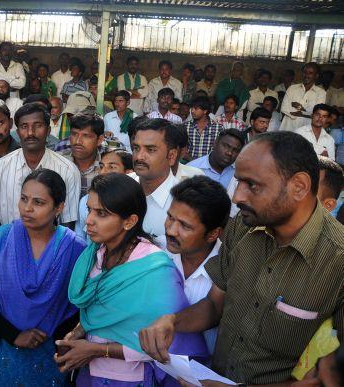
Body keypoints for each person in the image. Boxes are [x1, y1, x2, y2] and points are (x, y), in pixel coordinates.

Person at [139, 131, 344, 385]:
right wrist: (173, 321)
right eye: (238, 182)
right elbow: (215, 305)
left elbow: (331, 378)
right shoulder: (241, 229)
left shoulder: (338, 261)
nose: (237, 197)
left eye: (252, 185)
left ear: (299, 187)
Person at [56, 173, 208, 385]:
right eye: (89, 210)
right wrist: (77, 333)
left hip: (129, 379)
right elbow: (97, 313)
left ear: (129, 221)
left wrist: (97, 350)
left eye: (101, 213)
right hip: (90, 374)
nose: (88, 221)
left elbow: (166, 343)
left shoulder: (155, 269)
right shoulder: (95, 254)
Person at [0, 169, 87, 385]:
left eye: (39, 202)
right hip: (6, 351)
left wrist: (59, 339)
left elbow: (79, 306)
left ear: (59, 207)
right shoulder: (0, 240)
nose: (27, 208)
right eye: (24, 199)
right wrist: (14, 335)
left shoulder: (75, 249)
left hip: (52, 354)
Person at [155, 176, 231, 355]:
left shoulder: (229, 268)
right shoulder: (154, 251)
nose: (170, 230)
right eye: (170, 217)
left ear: (213, 234)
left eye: (185, 226)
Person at [0, 103, 80, 230]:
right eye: (24, 126)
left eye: (38, 125)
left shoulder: (67, 170)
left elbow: (68, 221)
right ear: (17, 132)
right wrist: (8, 243)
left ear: (48, 130)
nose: (30, 133)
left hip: (50, 247)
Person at [130, 117, 180, 237]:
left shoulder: (183, 202)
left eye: (150, 150)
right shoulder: (121, 186)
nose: (139, 157)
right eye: (136, 148)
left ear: (172, 156)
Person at [75, 149, 133, 241]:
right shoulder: (86, 200)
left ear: (129, 173)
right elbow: (80, 239)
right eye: (101, 167)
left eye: (112, 167)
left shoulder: (134, 203)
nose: (102, 172)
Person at [59, 110, 104, 197]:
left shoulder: (108, 166)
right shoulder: (59, 161)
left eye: (86, 136)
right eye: (74, 134)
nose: (78, 141)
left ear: (99, 140)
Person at [280, 62, 326, 131]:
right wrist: (306, 113)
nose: (306, 75)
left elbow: (318, 114)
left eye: (310, 73)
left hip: (306, 129)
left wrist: (302, 110)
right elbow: (284, 108)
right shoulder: (292, 88)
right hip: (288, 127)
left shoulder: (321, 92)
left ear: (316, 76)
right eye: (305, 72)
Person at [185, 96, 224, 160]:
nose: (192, 111)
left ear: (205, 111)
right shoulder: (186, 126)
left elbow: (220, 149)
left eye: (196, 108)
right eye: (191, 108)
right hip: (190, 166)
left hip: (209, 166)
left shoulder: (218, 128)